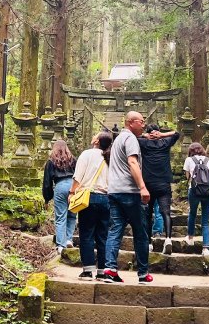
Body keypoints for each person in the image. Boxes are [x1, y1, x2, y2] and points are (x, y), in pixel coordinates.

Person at [101, 111, 153, 284]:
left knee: (115, 230)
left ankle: (110, 270)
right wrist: (143, 187)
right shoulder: (130, 139)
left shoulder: (117, 141)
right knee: (140, 232)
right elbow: (132, 162)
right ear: (131, 122)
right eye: (141, 121)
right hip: (129, 191)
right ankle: (143, 273)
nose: (144, 124)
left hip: (114, 191)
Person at [70, 132, 112, 280]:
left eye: (94, 136)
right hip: (106, 199)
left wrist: (72, 192)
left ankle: (88, 270)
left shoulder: (87, 154)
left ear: (97, 141)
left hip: (89, 198)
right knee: (103, 236)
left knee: (87, 234)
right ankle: (102, 271)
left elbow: (78, 176)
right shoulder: (111, 157)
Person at [140, 124, 180, 255]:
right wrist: (162, 135)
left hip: (148, 183)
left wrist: (145, 136)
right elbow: (177, 133)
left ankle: (149, 243)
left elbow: (129, 137)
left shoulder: (144, 143)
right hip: (164, 183)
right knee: (165, 212)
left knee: (147, 214)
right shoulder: (165, 142)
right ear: (158, 132)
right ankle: (168, 239)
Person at [183, 142, 209, 256]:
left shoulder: (189, 160)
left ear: (191, 151)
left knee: (192, 214)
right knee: (205, 221)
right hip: (208, 192)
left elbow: (187, 177)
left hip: (194, 191)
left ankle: (190, 238)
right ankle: (206, 248)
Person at [42, 139, 77, 253]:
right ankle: (69, 239)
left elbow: (47, 182)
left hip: (60, 186)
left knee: (61, 216)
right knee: (72, 215)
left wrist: (47, 197)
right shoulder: (73, 160)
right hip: (73, 187)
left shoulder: (51, 161)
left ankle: (61, 245)